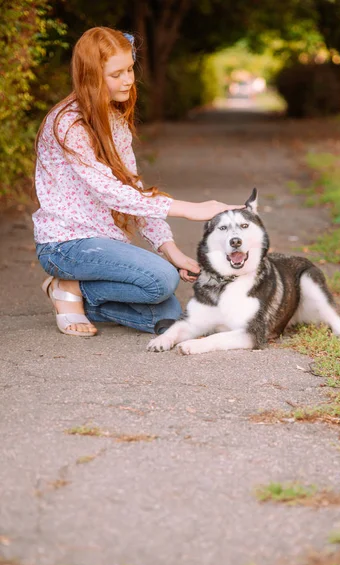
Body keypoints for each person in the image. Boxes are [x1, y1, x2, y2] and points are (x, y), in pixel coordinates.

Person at [33, 27, 242, 338]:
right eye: (116, 74)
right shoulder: (69, 124)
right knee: (160, 280)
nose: (129, 80)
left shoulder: (113, 119)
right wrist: (187, 208)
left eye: (130, 69)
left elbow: (133, 189)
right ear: (91, 76)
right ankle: (67, 284)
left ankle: (74, 293)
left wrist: (171, 250)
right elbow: (111, 192)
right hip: (66, 245)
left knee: (168, 315)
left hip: (104, 243)